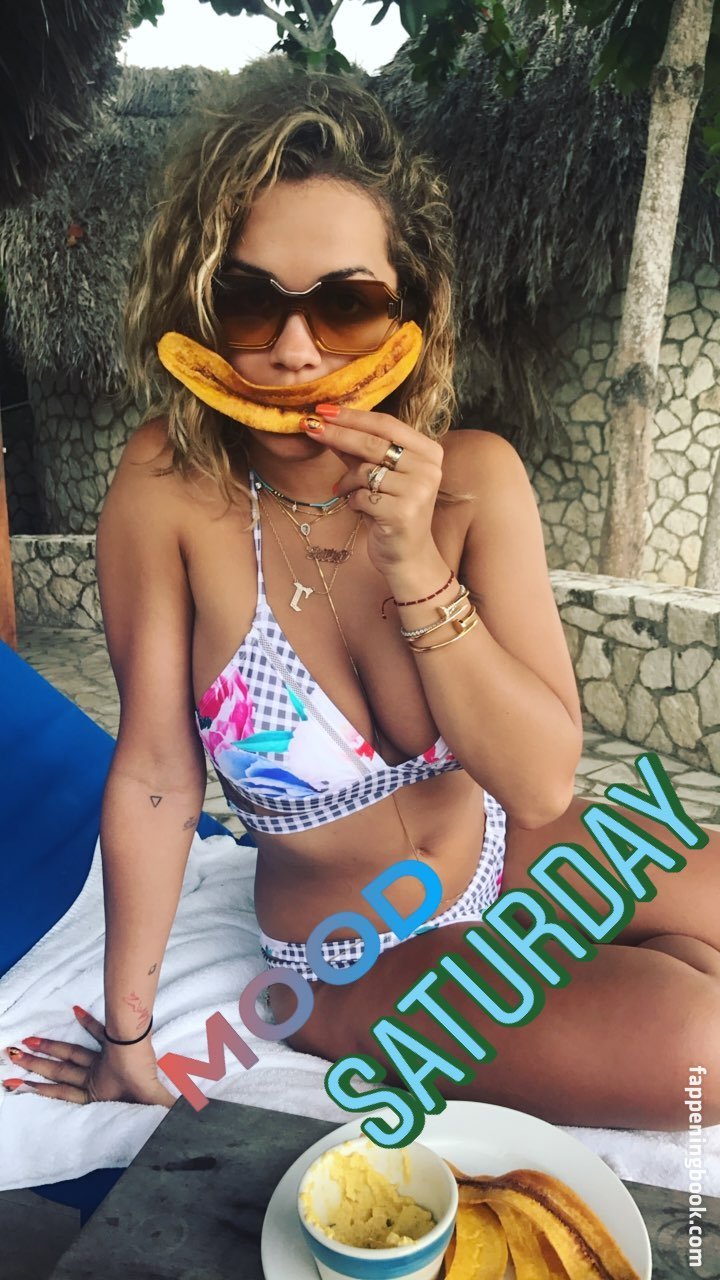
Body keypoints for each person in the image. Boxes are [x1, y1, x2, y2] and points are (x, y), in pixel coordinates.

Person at [4, 57, 719, 1126]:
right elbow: (155, 773)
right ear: (202, 308)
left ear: (407, 313)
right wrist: (129, 1037)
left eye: (345, 305)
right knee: (699, 1044)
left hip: (505, 847)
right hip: (350, 946)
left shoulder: (475, 480)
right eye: (251, 301)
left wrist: (413, 559)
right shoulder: (167, 488)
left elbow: (539, 786)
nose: (295, 352)